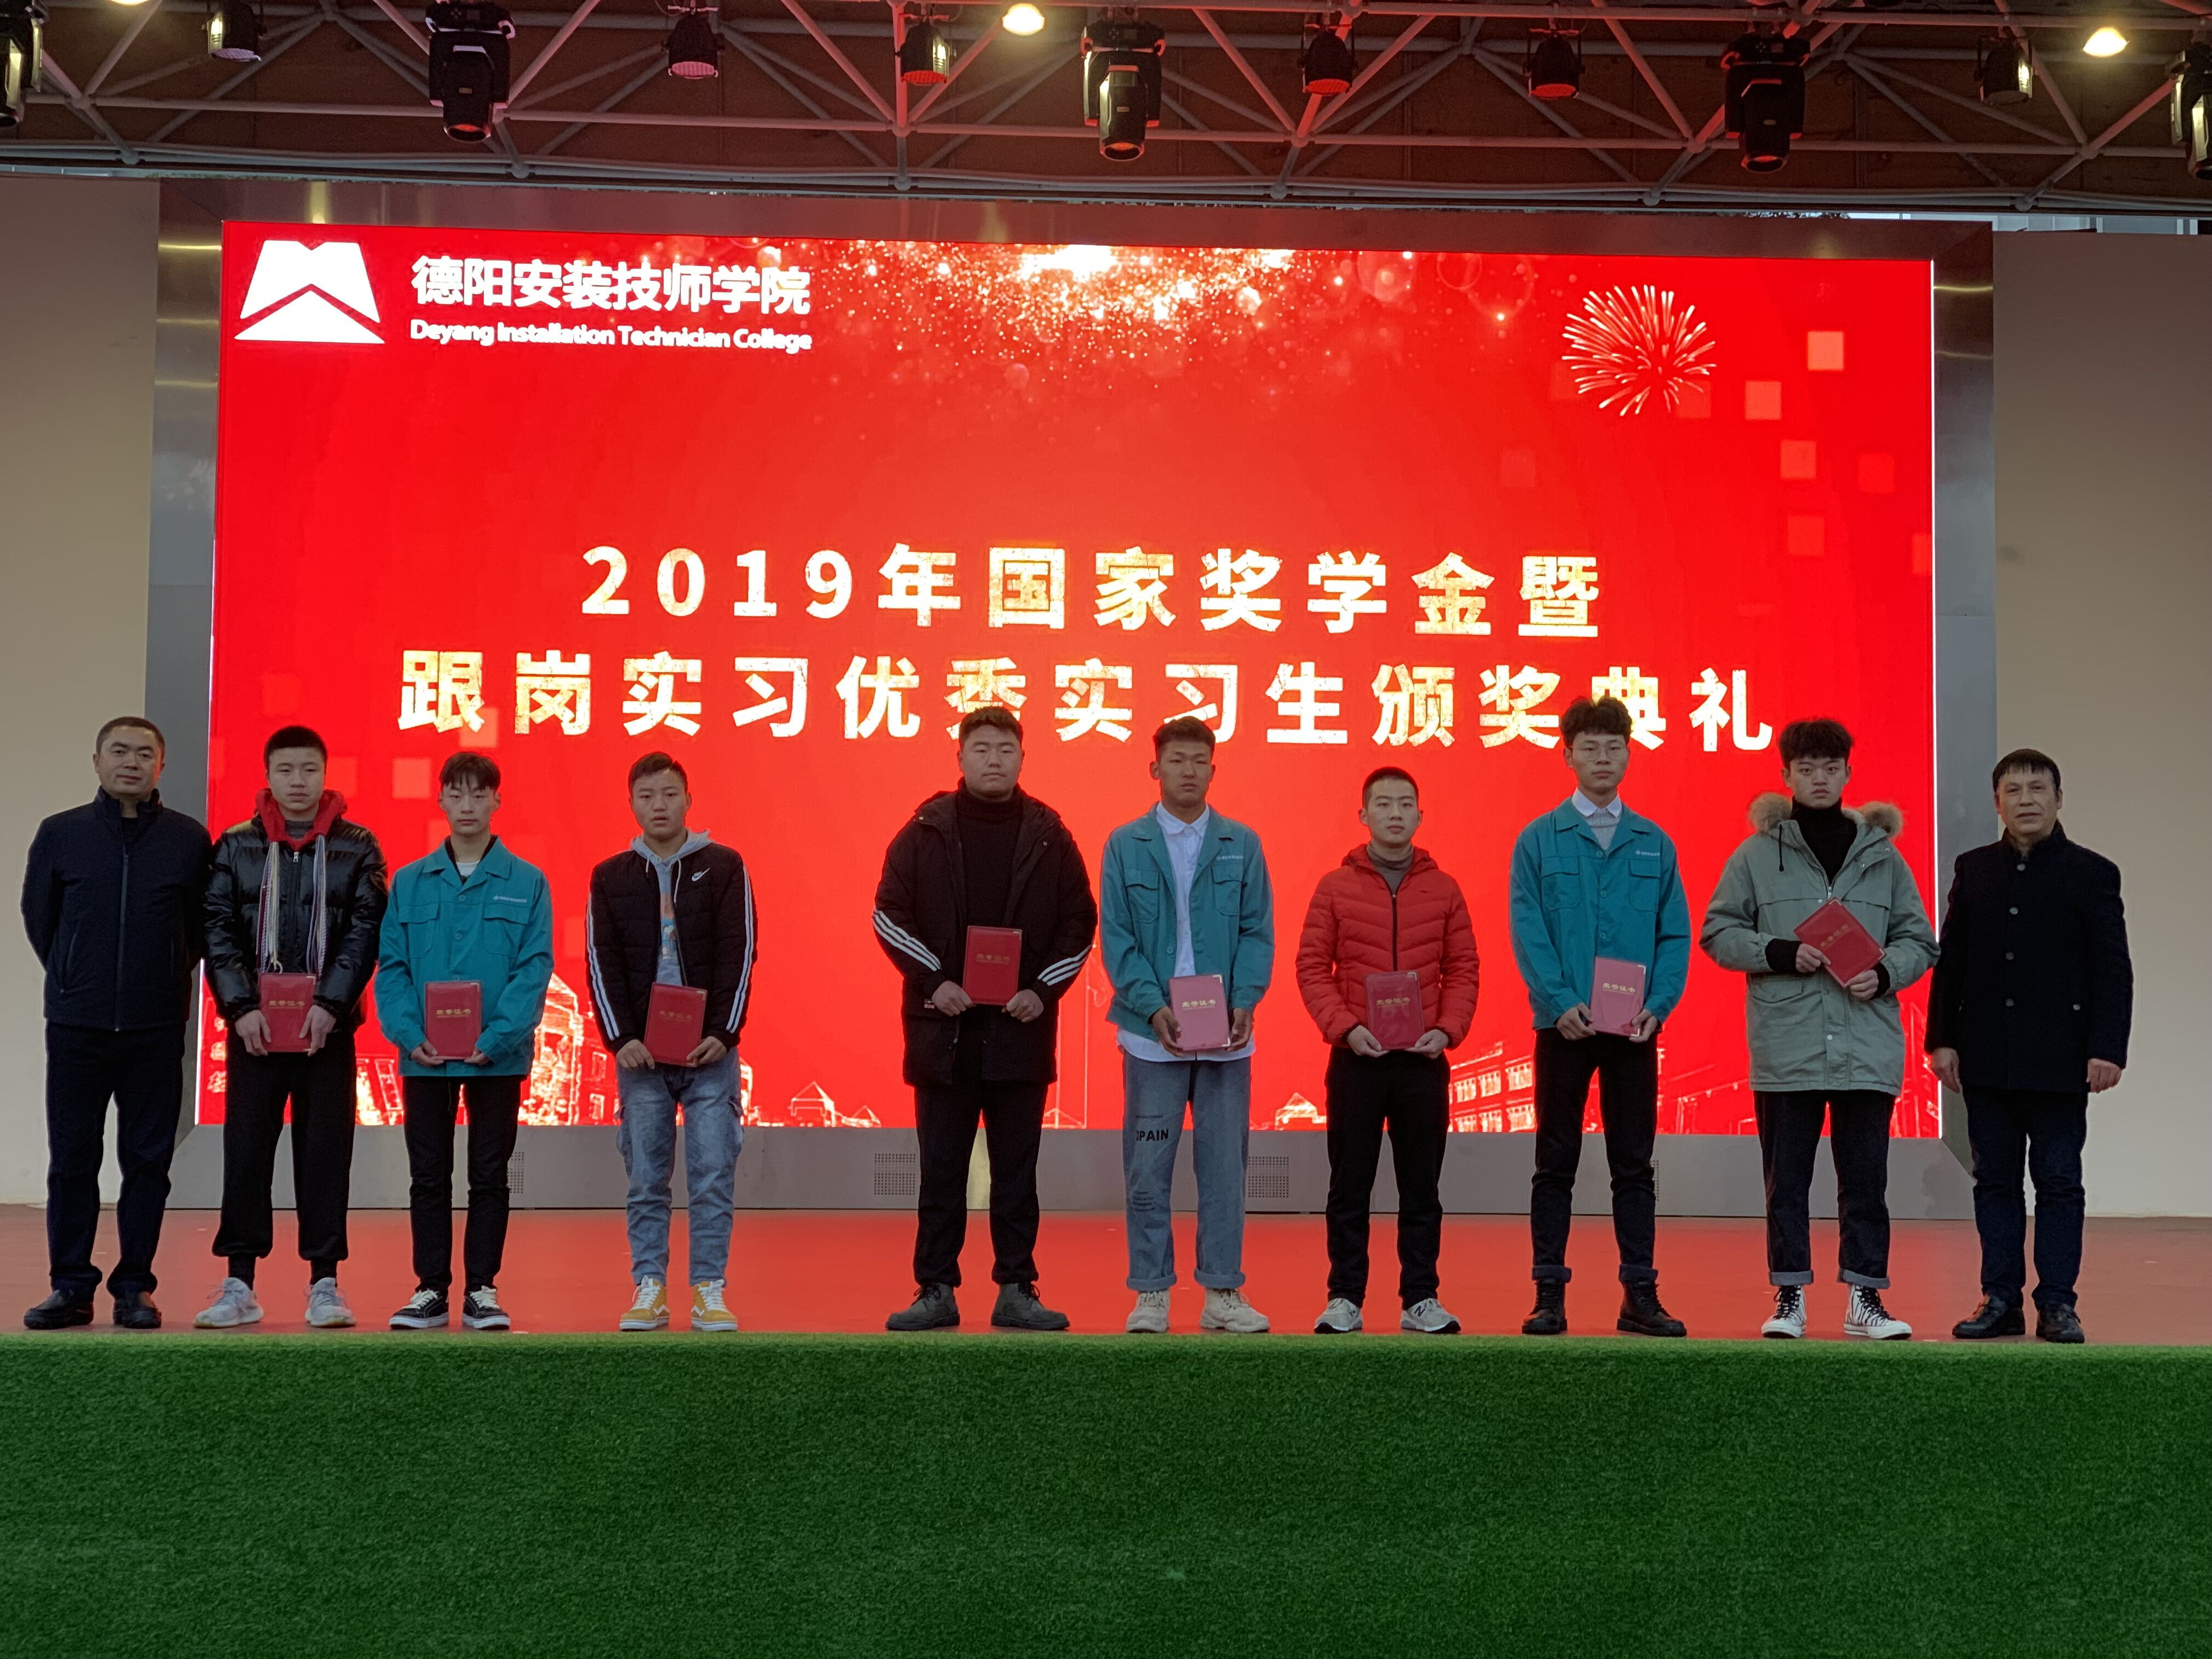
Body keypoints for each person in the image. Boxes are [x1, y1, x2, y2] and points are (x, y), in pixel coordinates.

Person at [1700, 718, 1937, 1340]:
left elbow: (1919, 940)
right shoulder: (1756, 854)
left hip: (1866, 1042)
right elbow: (1718, 932)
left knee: (1866, 1183)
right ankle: (1790, 1297)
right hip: (1788, 1045)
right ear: (1787, 775)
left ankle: (1866, 1298)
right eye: (1807, 768)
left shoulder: (1883, 857)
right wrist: (1778, 952)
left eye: (1831, 768)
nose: (1820, 779)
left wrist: (1884, 974)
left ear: (1848, 773)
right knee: (1787, 1183)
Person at [872, 707, 1098, 1333]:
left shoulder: (1050, 834)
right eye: (981, 749)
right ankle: (935, 1289)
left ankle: (1017, 1288)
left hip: (1020, 1032)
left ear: (1022, 758)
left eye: (1005, 749)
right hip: (944, 1032)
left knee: (1017, 1172)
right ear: (961, 758)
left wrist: (1041, 991)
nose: (993, 759)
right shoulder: (924, 830)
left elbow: (1080, 923)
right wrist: (934, 981)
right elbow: (889, 913)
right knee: (941, 1170)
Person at [1928, 749, 2131, 1345]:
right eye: (2013, 791)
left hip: (2063, 1059)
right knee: (1994, 1183)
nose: (2026, 800)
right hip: (1987, 1056)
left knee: (2059, 1183)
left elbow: (2113, 969)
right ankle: (2000, 1299)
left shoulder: (2092, 872)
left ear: (2058, 799)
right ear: (1997, 803)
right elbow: (1952, 962)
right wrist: (1942, 1040)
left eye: (2038, 789)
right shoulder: (1975, 869)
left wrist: (2108, 1048)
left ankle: (2058, 1303)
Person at [1508, 696, 1692, 1339]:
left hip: (1633, 1030)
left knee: (1634, 1165)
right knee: (1554, 1161)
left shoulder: (1654, 843)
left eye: (1614, 747)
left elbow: (1674, 935)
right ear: (1568, 756)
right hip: (1563, 1027)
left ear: (1630, 755)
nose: (1603, 758)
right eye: (1590, 748)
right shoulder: (1539, 839)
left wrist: (1657, 1007)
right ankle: (1548, 1295)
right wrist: (1559, 1001)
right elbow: (1528, 928)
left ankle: (1640, 1293)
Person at [20, 718, 211, 1331]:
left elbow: (198, 931)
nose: (132, 762)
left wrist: (160, 976)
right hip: (76, 1025)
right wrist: (76, 975)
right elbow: (40, 919)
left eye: (144, 753)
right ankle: (71, 1286)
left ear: (162, 765)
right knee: (72, 1159)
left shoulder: (188, 839)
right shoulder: (61, 833)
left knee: (147, 1161)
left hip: (156, 1027)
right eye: (120, 751)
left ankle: (135, 1287)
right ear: (97, 760)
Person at [194, 726, 387, 1330]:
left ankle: (325, 1282)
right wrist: (239, 1008)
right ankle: (239, 1283)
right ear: (268, 776)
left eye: (308, 769)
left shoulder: (358, 847)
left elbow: (365, 931)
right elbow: (216, 928)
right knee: (246, 1153)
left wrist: (332, 1004)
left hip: (327, 1032)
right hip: (254, 1032)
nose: (298, 781)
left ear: (325, 774)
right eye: (286, 770)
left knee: (326, 1155)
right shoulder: (236, 845)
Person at [1098, 716, 1275, 1335]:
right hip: (1152, 1037)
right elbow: (1117, 937)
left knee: (1225, 1169)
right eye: (1177, 760)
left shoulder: (1241, 843)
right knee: (1148, 1168)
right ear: (1155, 769)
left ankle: (1223, 1290)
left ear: (1213, 769)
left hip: (1226, 1037)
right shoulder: (1125, 844)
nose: (1189, 771)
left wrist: (1246, 999)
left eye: (1200, 761)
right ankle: (1151, 1292)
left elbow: (1256, 931)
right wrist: (1153, 1006)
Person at [1295, 767, 1479, 1336]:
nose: (1395, 813)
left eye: (1405, 804)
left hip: (1423, 1061)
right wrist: (1345, 1028)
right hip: (1357, 1059)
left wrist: (1446, 1031)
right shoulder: (1335, 886)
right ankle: (1344, 1297)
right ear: (1363, 815)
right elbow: (1311, 967)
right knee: (1349, 1185)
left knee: (1422, 1188)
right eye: (1383, 804)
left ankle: (1421, 1297)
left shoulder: (1444, 889)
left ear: (1420, 815)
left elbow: (1463, 968)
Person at [375, 752, 553, 1332]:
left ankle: (482, 1289)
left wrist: (498, 1037)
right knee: (428, 1174)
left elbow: (535, 967)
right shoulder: (409, 881)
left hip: (497, 1058)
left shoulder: (527, 882)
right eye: (457, 794)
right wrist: (410, 1035)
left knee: (490, 1175)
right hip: (424, 1057)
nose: (468, 805)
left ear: (497, 801)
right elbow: (393, 967)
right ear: (442, 801)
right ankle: (430, 1288)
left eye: (480, 794)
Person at [586, 753, 758, 1335]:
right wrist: (620, 1038)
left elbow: (740, 952)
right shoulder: (610, 876)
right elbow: (601, 961)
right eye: (647, 796)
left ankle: (709, 1289)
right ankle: (650, 1287)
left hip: (710, 1055)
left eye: (669, 794)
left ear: (689, 799)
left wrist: (723, 1033)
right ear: (632, 805)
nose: (659, 806)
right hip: (642, 1058)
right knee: (646, 1177)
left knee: (712, 1172)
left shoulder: (725, 866)